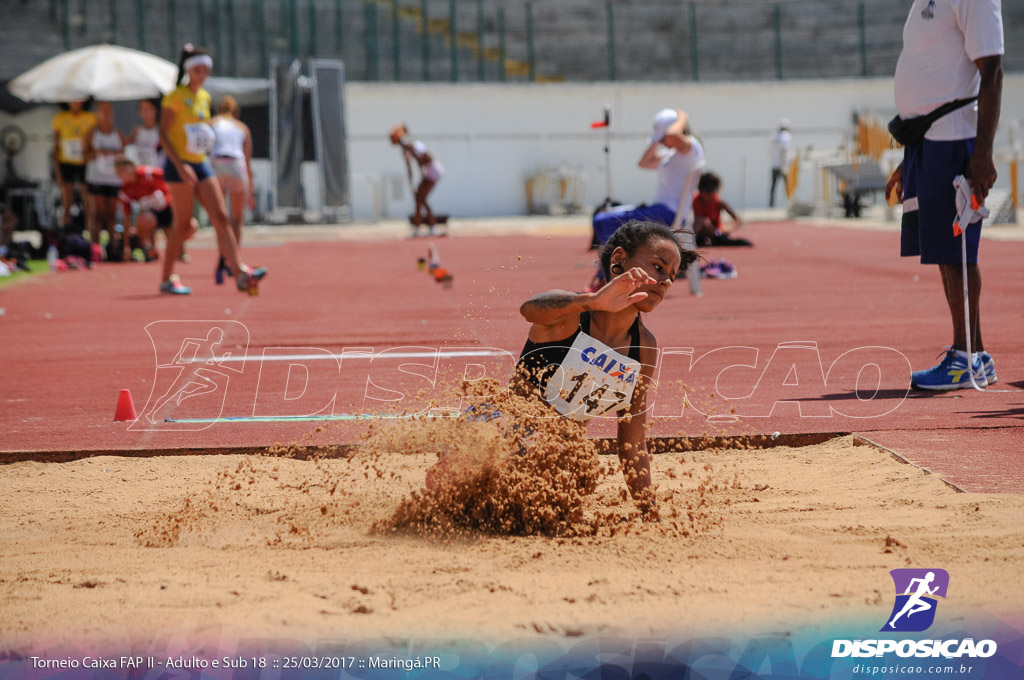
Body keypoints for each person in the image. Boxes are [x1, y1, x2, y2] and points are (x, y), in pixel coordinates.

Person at [513, 220, 697, 516]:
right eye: (658, 267)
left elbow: (633, 442)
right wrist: (594, 300)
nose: (666, 281)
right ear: (619, 260)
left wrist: (648, 510)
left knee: (578, 465)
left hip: (555, 456)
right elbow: (529, 309)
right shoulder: (572, 313)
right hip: (502, 431)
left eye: (672, 276)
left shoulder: (643, 348)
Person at [884, 0, 1003, 391]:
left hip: (954, 139)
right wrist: (910, 158)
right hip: (927, 142)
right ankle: (973, 356)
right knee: (941, 250)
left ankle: (965, 358)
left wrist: (982, 153)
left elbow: (993, 71)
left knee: (957, 251)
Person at [159, 44, 266, 295]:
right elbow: (163, 134)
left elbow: (200, 132)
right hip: (180, 166)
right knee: (183, 224)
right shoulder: (175, 96)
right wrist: (180, 164)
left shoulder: (204, 97)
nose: (202, 74)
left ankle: (239, 272)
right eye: (197, 69)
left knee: (220, 216)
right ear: (188, 70)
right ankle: (166, 277)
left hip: (201, 162)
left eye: (206, 70)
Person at [210, 95, 254, 284]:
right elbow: (248, 161)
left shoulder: (211, 123)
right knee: (237, 219)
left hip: (216, 164)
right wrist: (250, 192)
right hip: (236, 164)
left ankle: (222, 259)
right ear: (236, 113)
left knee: (221, 219)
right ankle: (233, 261)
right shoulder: (242, 127)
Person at [115, 156, 190, 262]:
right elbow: (127, 216)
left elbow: (170, 177)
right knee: (143, 219)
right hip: (151, 213)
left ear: (131, 167)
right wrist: (126, 246)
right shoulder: (125, 190)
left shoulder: (148, 173)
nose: (121, 175)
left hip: (166, 207)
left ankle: (181, 252)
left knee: (182, 228)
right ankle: (149, 249)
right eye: (118, 173)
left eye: (123, 170)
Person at [82, 101, 127, 260]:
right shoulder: (91, 134)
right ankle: (95, 249)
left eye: (109, 111)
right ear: (98, 113)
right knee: (97, 214)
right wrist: (97, 152)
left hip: (114, 180)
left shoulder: (119, 134)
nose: (107, 114)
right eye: (103, 111)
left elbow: (125, 159)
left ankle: (113, 248)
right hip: (96, 178)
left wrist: (116, 154)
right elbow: (83, 157)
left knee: (112, 215)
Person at [389, 123, 444, 236]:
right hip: (427, 171)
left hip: (432, 170)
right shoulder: (405, 148)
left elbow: (426, 158)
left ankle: (432, 226)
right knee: (419, 199)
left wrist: (421, 174)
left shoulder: (409, 144)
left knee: (421, 198)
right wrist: (412, 185)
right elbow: (409, 168)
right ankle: (418, 228)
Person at [51, 100, 97, 230]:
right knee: (67, 204)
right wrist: (58, 173)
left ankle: (90, 239)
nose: (75, 102)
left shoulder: (91, 118)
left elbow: (95, 141)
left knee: (88, 205)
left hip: (85, 164)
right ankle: (65, 236)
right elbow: (55, 148)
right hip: (66, 164)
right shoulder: (60, 118)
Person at [692, 172, 752, 247]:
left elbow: (738, 220)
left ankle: (690, 239)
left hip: (715, 233)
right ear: (702, 191)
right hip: (699, 233)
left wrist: (725, 230)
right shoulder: (694, 200)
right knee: (700, 220)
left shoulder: (718, 202)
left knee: (702, 220)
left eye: (713, 193)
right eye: (709, 193)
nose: (712, 196)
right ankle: (691, 239)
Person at [128, 99, 164, 169]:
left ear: (155, 110)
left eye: (147, 109)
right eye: (142, 109)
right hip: (141, 171)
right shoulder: (137, 131)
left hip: (158, 171)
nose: (145, 112)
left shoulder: (161, 131)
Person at [768, 118, 791, 208]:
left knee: (773, 186)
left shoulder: (773, 136)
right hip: (782, 165)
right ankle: (789, 204)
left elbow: (769, 151)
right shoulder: (786, 136)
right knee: (787, 187)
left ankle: (771, 204)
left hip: (774, 164)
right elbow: (784, 151)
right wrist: (785, 165)